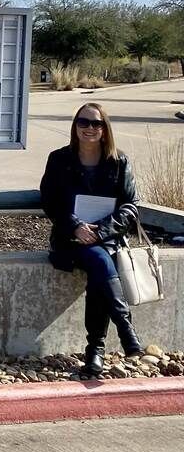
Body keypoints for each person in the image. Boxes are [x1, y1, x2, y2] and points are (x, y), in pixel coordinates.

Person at [39, 102, 145, 375]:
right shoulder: (59, 159)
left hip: (106, 239)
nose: (89, 128)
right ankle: (122, 331)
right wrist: (75, 226)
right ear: (75, 126)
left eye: (95, 123)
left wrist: (102, 229)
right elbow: (50, 201)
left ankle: (97, 351)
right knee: (100, 260)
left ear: (104, 129)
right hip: (68, 240)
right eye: (83, 122)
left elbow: (130, 206)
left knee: (100, 261)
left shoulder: (119, 162)